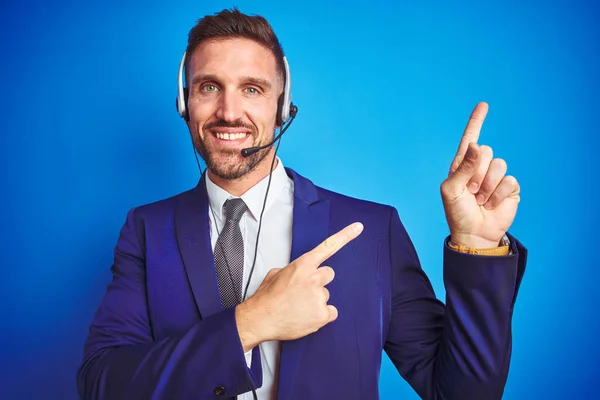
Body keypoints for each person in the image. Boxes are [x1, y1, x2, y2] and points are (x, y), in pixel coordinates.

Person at [77, 8, 527, 400]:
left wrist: (478, 248)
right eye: (209, 87)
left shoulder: (371, 229)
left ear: (282, 105)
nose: (229, 112)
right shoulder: (146, 229)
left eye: (252, 89)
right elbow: (102, 384)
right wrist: (249, 323)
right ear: (184, 102)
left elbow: (462, 393)